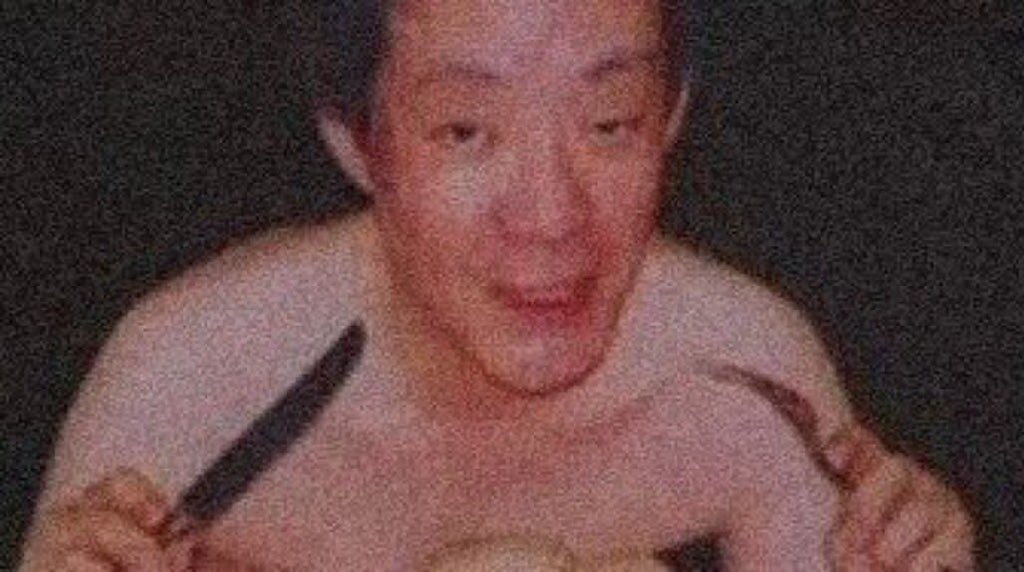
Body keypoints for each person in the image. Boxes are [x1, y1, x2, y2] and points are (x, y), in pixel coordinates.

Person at [20, 0, 974, 570]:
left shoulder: (748, 382)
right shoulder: (195, 378)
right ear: (356, 142)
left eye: (611, 123)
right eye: (465, 132)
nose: (551, 216)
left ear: (672, 115)